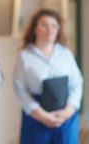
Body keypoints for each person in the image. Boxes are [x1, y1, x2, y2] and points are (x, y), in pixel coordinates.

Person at [13, 9, 83, 144]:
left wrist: (68, 110)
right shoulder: (25, 56)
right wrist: (42, 115)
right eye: (44, 25)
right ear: (35, 28)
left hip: (66, 115)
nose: (49, 29)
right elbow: (20, 89)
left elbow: (77, 83)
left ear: (58, 29)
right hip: (36, 116)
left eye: (54, 25)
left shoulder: (65, 54)